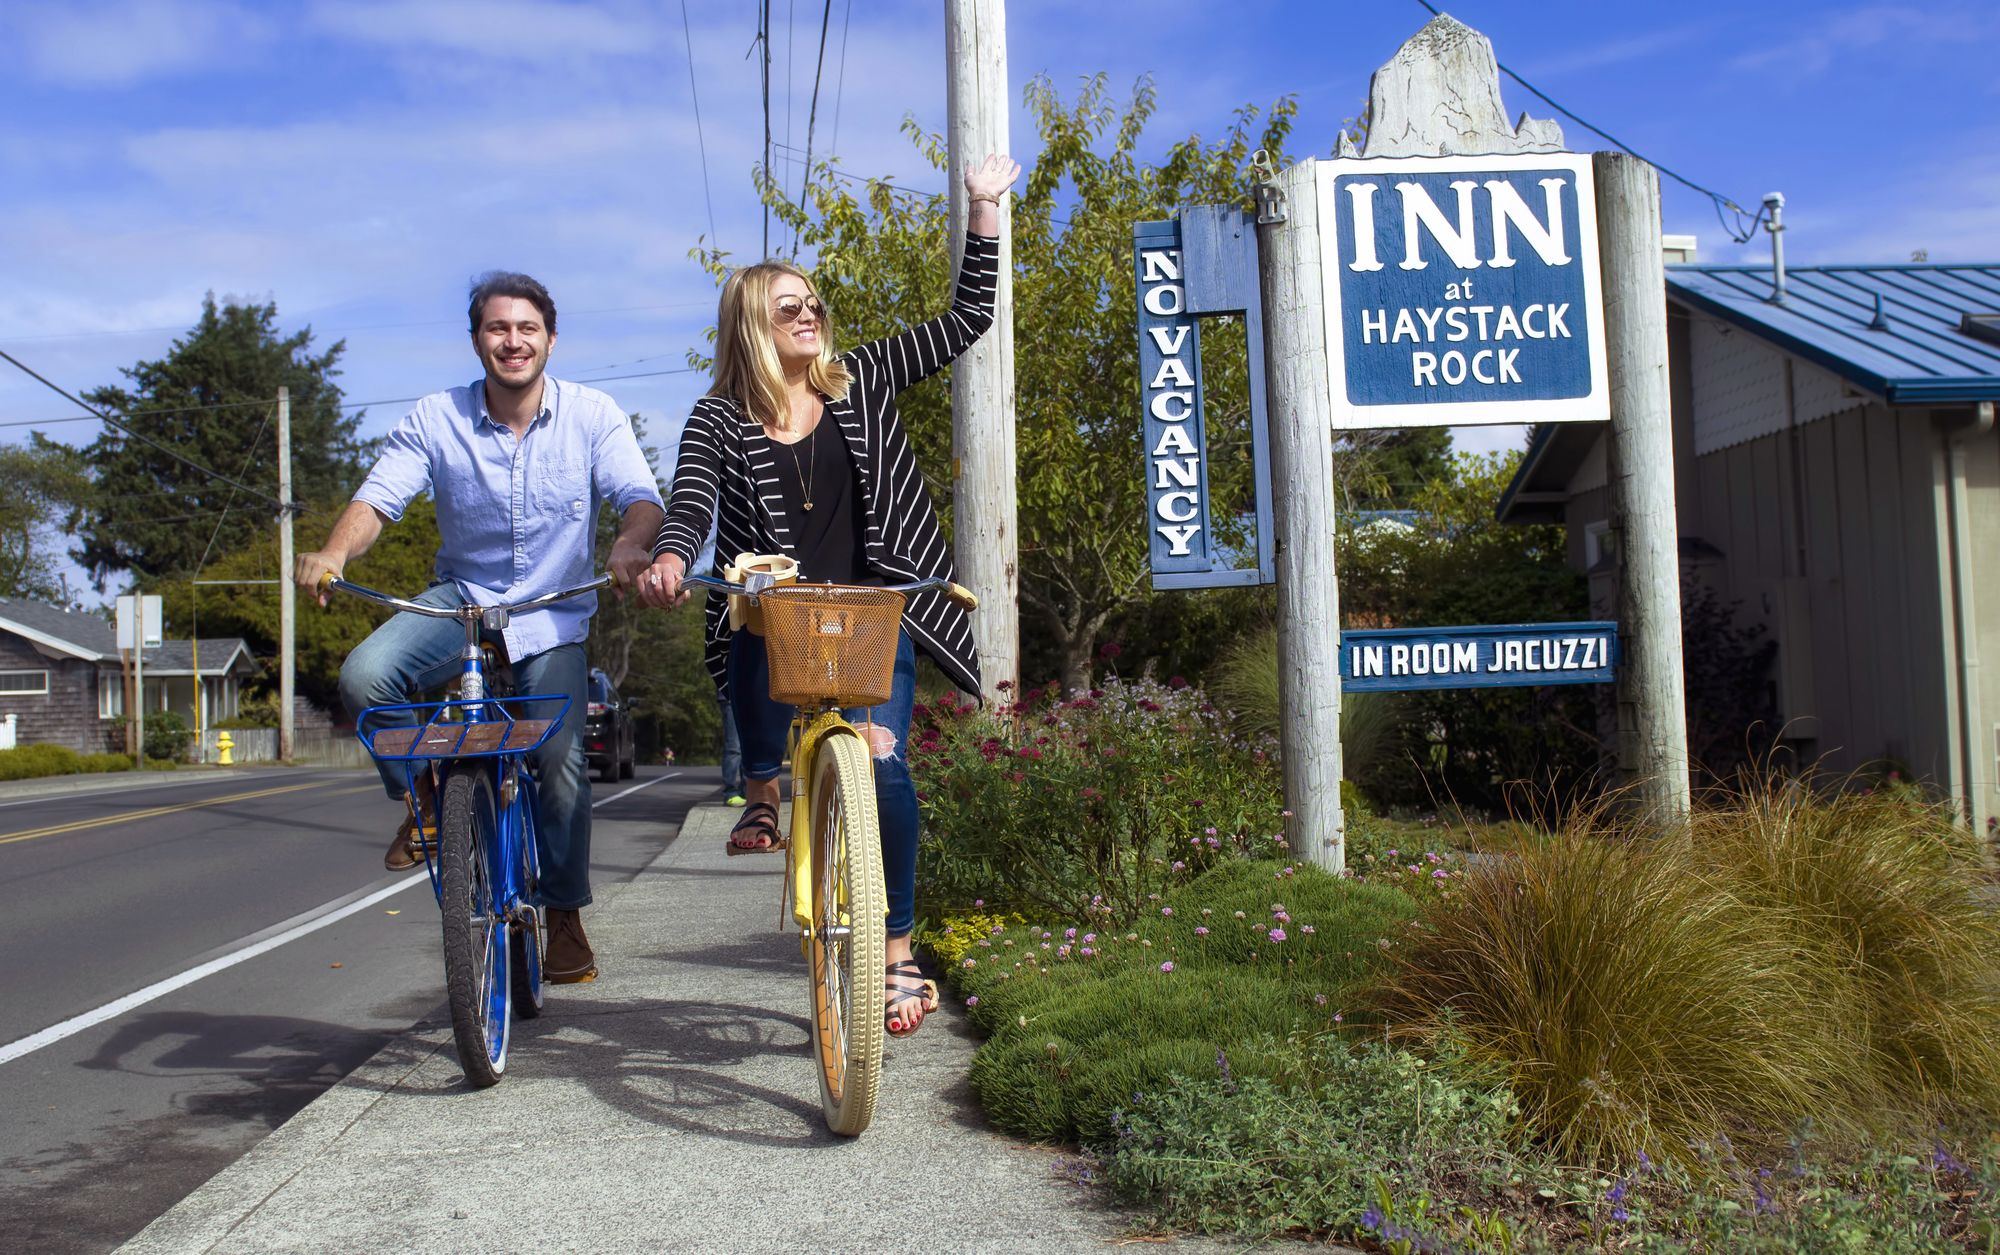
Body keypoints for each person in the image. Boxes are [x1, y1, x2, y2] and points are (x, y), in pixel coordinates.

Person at [639, 154, 1019, 1039]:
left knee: (884, 765)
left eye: (814, 304)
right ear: (752, 327)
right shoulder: (718, 418)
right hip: (777, 614)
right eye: (789, 307)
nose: (809, 316)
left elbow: (968, 318)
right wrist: (668, 553)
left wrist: (983, 210)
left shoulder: (863, 380)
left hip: (874, 610)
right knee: (751, 620)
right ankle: (764, 787)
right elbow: (692, 497)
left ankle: (895, 955)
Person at [295, 270, 665, 985]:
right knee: (365, 674)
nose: (513, 341)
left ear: (550, 339)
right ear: (477, 341)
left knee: (556, 755)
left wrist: (628, 543)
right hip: (462, 603)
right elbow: (379, 498)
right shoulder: (439, 416)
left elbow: (639, 495)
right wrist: (336, 549)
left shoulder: (593, 413)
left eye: (527, 328)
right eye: (498, 328)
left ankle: (563, 914)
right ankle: (428, 797)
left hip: (551, 614)